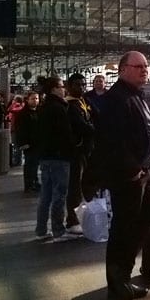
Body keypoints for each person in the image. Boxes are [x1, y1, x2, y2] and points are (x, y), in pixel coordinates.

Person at [96, 51, 150, 300]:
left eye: (146, 66)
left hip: (140, 172)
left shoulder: (134, 95)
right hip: (128, 177)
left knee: (149, 213)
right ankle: (118, 282)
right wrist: (132, 169)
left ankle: (122, 274)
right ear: (123, 69)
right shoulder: (117, 98)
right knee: (123, 228)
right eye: (138, 66)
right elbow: (113, 140)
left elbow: (138, 132)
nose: (144, 70)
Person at [34, 76, 80, 242]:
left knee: (45, 194)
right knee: (59, 194)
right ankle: (58, 230)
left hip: (46, 156)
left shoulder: (44, 107)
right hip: (59, 157)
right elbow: (65, 135)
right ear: (54, 89)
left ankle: (40, 230)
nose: (64, 89)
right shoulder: (58, 108)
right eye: (61, 86)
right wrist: (73, 149)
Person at [64, 73, 96, 234]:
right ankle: (72, 220)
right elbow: (80, 125)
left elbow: (95, 117)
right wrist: (97, 130)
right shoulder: (70, 105)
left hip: (87, 150)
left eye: (84, 84)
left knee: (88, 184)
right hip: (76, 151)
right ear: (69, 86)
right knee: (75, 186)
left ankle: (87, 216)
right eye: (78, 85)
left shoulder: (84, 101)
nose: (82, 87)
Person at [15, 91, 41, 192]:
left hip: (37, 143)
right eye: (33, 99)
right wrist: (23, 143)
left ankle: (35, 181)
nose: (35, 101)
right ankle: (29, 184)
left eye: (37, 98)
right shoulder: (23, 114)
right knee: (30, 164)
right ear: (27, 100)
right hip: (29, 144)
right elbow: (20, 129)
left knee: (35, 164)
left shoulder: (38, 112)